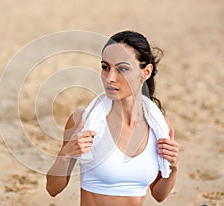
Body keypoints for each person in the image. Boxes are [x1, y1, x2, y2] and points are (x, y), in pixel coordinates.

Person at [46, 30, 179, 206]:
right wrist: (66, 153)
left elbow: (159, 194)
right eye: (105, 67)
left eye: (122, 69)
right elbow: (53, 189)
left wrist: (173, 166)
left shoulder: (158, 126)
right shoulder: (83, 122)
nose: (110, 78)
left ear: (146, 72)